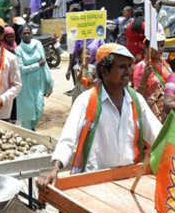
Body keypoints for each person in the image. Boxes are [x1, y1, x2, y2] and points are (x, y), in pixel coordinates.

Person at [38, 43, 162, 186]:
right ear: (104, 71)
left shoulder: (137, 101)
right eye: (122, 67)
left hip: (129, 178)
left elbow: (159, 137)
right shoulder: (85, 101)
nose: (128, 71)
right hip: (94, 181)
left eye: (129, 66)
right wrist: (55, 169)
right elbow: (67, 140)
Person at [15, 25, 52, 130]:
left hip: (38, 83)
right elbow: (21, 69)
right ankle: (28, 131)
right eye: (24, 33)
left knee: (39, 108)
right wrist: (37, 65)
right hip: (26, 85)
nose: (26, 35)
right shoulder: (19, 50)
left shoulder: (38, 44)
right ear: (20, 36)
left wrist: (49, 83)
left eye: (28, 32)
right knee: (27, 111)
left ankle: (32, 127)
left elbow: (45, 65)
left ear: (31, 34)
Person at [132, 31, 171, 121]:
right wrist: (145, 77)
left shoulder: (165, 64)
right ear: (146, 48)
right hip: (152, 115)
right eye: (156, 46)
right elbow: (137, 96)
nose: (159, 49)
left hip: (167, 112)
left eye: (161, 45)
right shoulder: (141, 67)